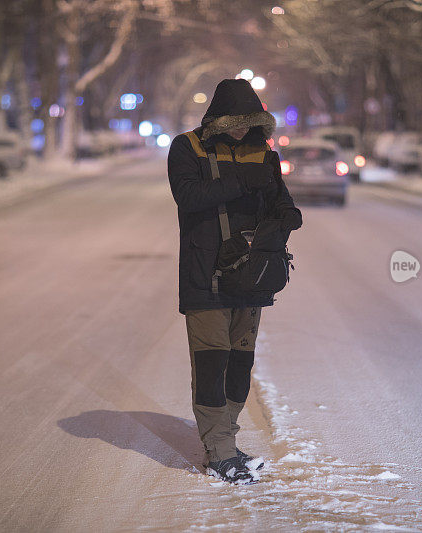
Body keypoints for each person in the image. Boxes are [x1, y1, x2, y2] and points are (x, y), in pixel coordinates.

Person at [167, 78, 302, 484]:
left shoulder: (263, 152)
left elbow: (278, 198)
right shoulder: (187, 148)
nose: (242, 130)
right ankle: (219, 451)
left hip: (251, 276)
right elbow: (187, 197)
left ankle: (225, 441)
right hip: (204, 277)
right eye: (235, 122)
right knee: (212, 364)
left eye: (250, 123)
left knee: (239, 367)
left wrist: (288, 213)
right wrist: (242, 182)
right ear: (218, 119)